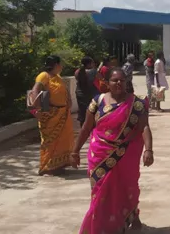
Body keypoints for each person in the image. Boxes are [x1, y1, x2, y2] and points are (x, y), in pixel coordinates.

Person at [71, 67, 154, 233]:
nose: (118, 83)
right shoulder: (97, 101)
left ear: (126, 82)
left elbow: (144, 126)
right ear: (107, 83)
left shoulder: (136, 104)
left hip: (125, 155)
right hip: (99, 154)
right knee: (100, 191)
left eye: (122, 81)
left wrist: (148, 150)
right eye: (114, 80)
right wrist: (75, 151)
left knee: (128, 187)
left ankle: (131, 217)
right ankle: (98, 225)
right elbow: (86, 128)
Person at [29, 55, 74, 176]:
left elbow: (64, 91)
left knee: (64, 139)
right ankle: (48, 166)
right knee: (50, 141)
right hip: (51, 115)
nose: (62, 66)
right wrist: (36, 109)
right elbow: (35, 90)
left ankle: (59, 164)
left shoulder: (58, 77)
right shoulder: (44, 76)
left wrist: (68, 100)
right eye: (60, 64)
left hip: (63, 113)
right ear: (56, 65)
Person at [74, 56, 98, 127]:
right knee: (92, 112)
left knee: (82, 113)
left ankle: (83, 128)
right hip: (90, 95)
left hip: (80, 94)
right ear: (89, 64)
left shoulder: (77, 71)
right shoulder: (93, 71)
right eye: (92, 62)